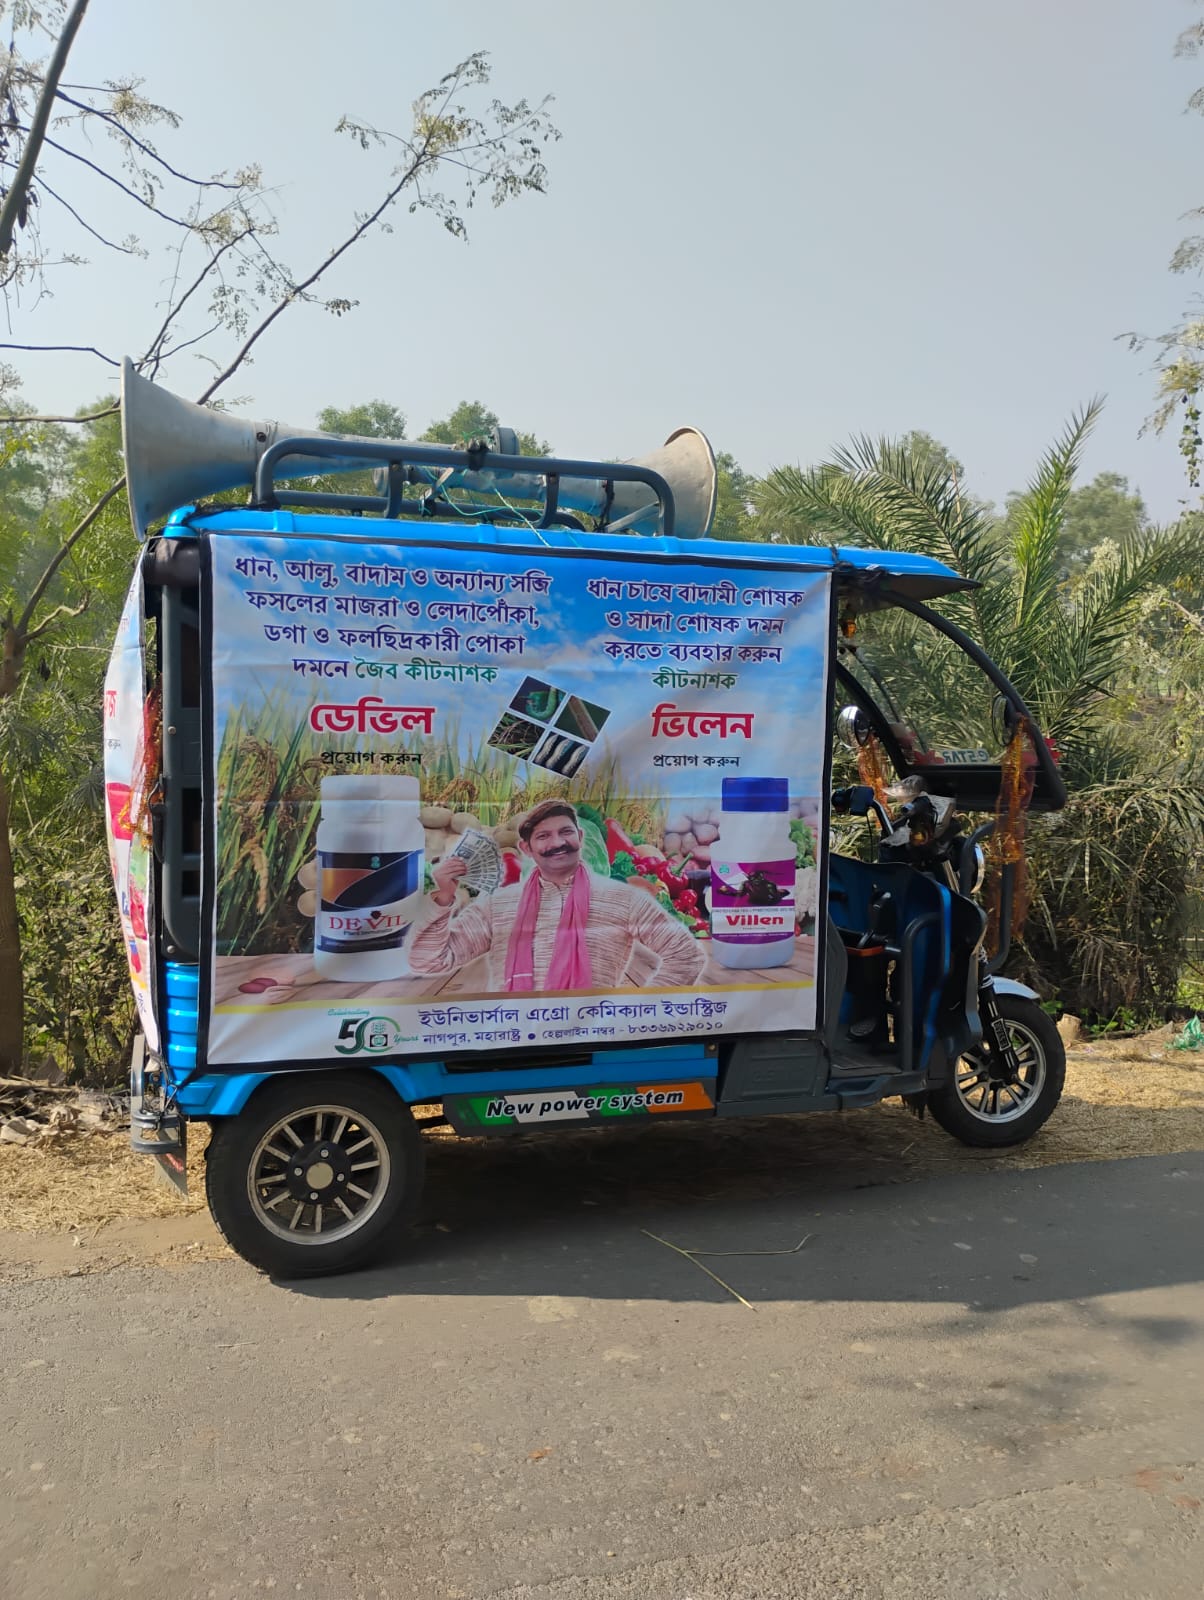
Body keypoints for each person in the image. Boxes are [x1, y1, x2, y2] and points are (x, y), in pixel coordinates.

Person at [408, 798, 706, 993]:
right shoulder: (497, 905)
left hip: (592, 1039)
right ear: (526, 849)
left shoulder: (623, 899)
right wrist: (443, 898)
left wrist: (640, 1014)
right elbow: (429, 961)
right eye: (543, 836)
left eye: (566, 832)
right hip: (512, 1040)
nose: (558, 843)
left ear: (580, 837)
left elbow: (685, 955)